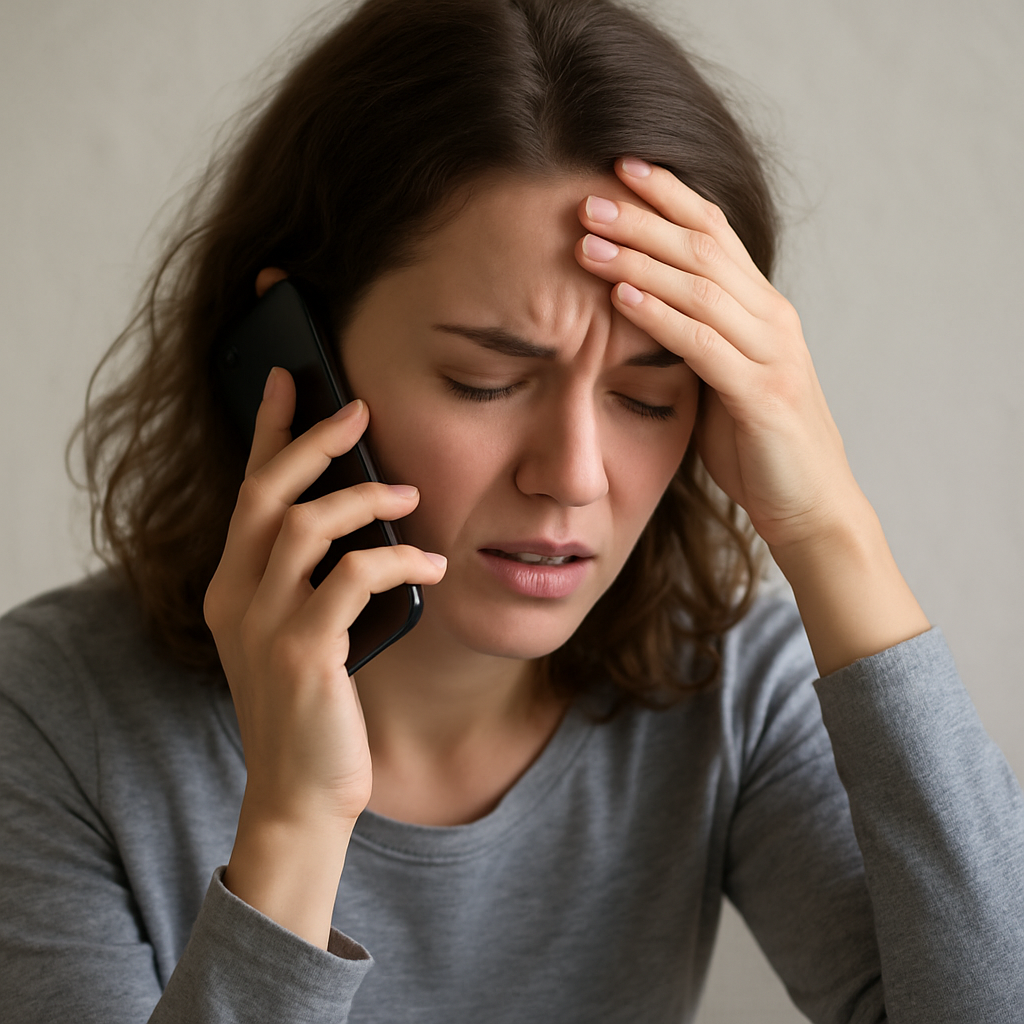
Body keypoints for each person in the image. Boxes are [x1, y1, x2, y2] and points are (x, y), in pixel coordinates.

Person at [1, 0, 1022, 1020]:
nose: (574, 475)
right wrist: (294, 827)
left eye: (647, 396)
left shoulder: (726, 688)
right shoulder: (50, 719)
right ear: (291, 355)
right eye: (485, 380)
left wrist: (831, 528)